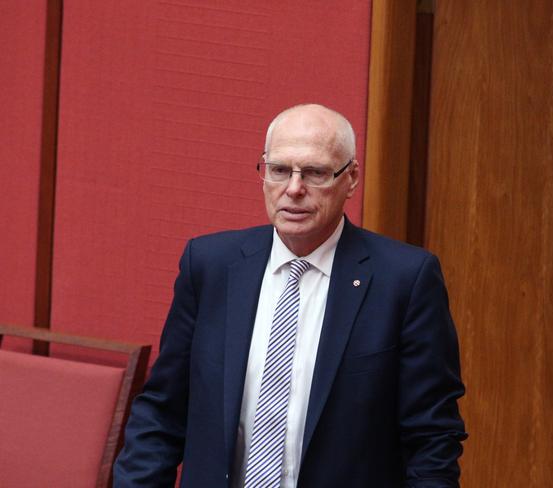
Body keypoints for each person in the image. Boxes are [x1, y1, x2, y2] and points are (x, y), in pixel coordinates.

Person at [113, 104, 467, 487]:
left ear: (351, 178)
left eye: (315, 173)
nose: (293, 189)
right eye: (279, 170)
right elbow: (162, 412)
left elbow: (431, 439)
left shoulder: (405, 280)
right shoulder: (210, 266)